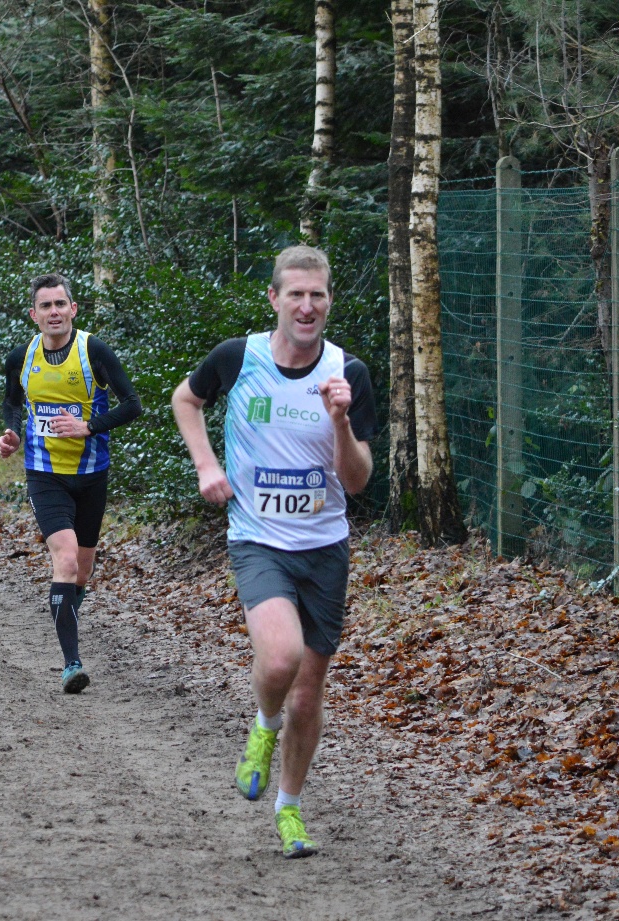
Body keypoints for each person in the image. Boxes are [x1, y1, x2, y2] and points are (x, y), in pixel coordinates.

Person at [171, 245, 377, 858]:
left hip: (325, 548)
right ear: (274, 299)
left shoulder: (348, 373)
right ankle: (263, 727)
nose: (307, 306)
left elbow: (359, 480)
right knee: (281, 657)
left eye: (317, 295)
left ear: (329, 301)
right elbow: (186, 400)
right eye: (296, 294)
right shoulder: (240, 357)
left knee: (309, 693)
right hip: (257, 539)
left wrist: (340, 422)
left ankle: (289, 810)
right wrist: (207, 466)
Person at [0, 273, 142, 693]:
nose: (54, 312)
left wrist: (89, 427)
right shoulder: (20, 357)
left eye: (60, 304)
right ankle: (71, 664)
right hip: (44, 475)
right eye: (46, 306)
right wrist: (12, 434)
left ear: (73, 309)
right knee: (64, 560)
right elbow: (11, 403)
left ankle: (66, 614)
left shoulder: (93, 350)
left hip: (92, 476)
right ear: (34, 315)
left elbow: (133, 405)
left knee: (82, 572)